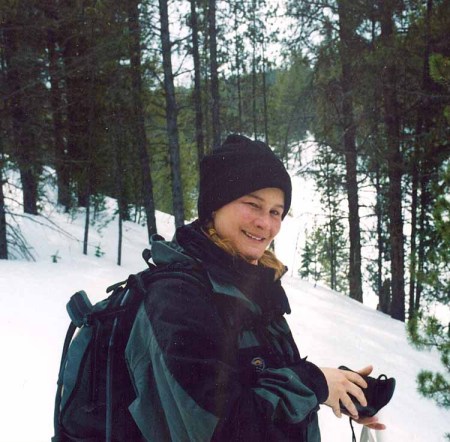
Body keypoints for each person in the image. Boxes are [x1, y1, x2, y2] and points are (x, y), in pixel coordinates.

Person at [125, 134, 385, 441]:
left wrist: (335, 387)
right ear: (214, 207)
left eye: (276, 211)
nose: (266, 223)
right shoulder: (176, 298)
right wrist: (315, 384)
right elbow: (219, 428)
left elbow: (262, 384)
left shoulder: (248, 285)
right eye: (253, 204)